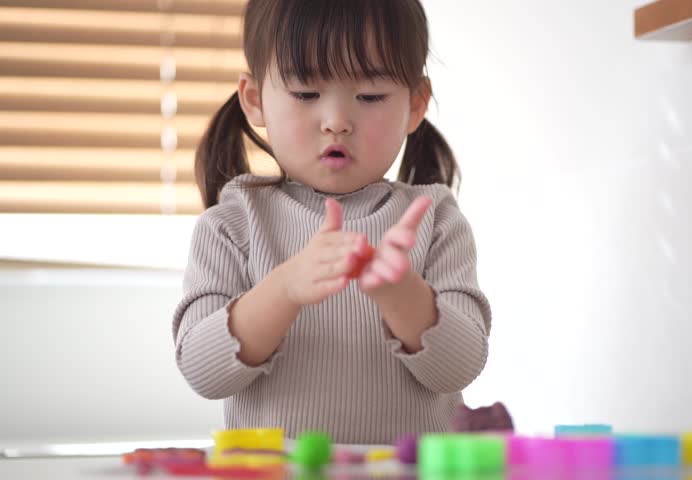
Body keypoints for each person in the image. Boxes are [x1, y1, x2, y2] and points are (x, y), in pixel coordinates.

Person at [172, 0, 491, 445]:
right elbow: (203, 372)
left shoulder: (435, 221)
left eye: (370, 96)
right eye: (306, 94)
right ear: (254, 99)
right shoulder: (232, 224)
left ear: (416, 104)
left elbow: (460, 367)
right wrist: (284, 289)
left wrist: (401, 294)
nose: (337, 122)